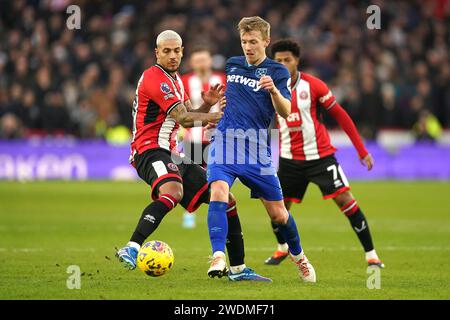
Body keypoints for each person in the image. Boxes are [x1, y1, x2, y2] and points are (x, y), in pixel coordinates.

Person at [116, 30, 270, 282]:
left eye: (176, 50)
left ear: (182, 51)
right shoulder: (155, 78)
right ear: (157, 53)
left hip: (172, 153)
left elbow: (188, 118)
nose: (173, 55)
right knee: (173, 192)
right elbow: (185, 118)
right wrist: (212, 116)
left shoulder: (174, 80)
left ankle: (239, 269)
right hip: (148, 150)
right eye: (166, 51)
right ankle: (132, 247)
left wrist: (207, 105)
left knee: (226, 199)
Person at [206, 17, 316, 282]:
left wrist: (274, 93)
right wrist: (213, 103)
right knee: (219, 191)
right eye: (244, 41)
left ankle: (299, 257)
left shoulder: (277, 72)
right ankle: (218, 256)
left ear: (266, 41)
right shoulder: (232, 64)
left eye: (253, 41)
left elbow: (286, 111)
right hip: (225, 140)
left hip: (256, 149)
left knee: (278, 214)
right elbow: (230, 102)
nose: (248, 47)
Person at [264, 39, 384, 268]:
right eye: (277, 61)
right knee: (277, 210)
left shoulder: (314, 86)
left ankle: (372, 255)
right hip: (289, 160)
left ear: (296, 61)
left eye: (286, 60)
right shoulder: (269, 88)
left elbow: (340, 115)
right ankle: (281, 249)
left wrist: (361, 150)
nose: (282, 64)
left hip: (320, 157)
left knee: (345, 199)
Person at [179, 46, 227, 229]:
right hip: (194, 138)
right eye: (197, 60)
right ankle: (189, 212)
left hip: (218, 137)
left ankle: (219, 211)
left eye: (204, 59)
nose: (201, 64)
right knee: (191, 178)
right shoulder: (184, 81)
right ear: (191, 63)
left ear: (210, 60)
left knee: (216, 177)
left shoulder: (221, 79)